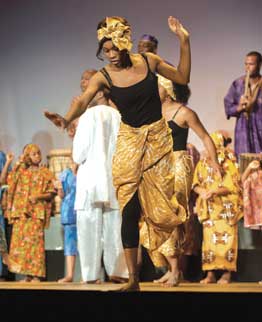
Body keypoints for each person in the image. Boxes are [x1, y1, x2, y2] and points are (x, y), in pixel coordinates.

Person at [45, 15, 191, 291]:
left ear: (125, 44)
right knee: (129, 209)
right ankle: (133, 280)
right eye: (106, 50)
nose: (110, 55)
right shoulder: (104, 77)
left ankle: (173, 254)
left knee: (162, 211)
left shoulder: (149, 61)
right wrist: (65, 120)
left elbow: (183, 77)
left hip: (157, 140)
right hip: (128, 143)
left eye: (114, 48)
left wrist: (184, 40)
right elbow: (83, 100)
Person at [150, 77, 220, 285]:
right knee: (155, 221)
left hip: (177, 167)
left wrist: (215, 162)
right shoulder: (153, 113)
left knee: (172, 217)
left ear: (169, 89)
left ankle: (175, 270)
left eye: (159, 86)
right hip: (157, 168)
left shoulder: (185, 113)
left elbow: (206, 137)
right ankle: (169, 267)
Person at [73, 89, 128, 284]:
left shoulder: (87, 116)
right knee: (115, 229)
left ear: (98, 94)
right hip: (113, 178)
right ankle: (118, 272)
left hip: (90, 180)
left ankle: (90, 275)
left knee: (89, 228)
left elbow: (78, 154)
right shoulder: (119, 116)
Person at [192, 131, 243, 284]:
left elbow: (234, 185)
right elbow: (195, 183)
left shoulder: (229, 161)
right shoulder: (202, 163)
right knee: (208, 242)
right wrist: (201, 191)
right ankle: (210, 274)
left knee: (228, 240)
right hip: (210, 209)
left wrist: (214, 191)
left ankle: (227, 274)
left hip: (225, 208)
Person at [6, 144, 56, 282]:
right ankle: (27, 275)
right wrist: (19, 162)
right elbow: (10, 181)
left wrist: (38, 196)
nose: (38, 155)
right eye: (33, 154)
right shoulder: (22, 172)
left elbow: (52, 192)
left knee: (35, 245)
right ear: (27, 156)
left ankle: (36, 275)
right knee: (22, 245)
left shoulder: (45, 172)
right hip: (22, 213)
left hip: (36, 212)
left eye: (39, 153)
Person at [224, 51, 262, 160]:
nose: (247, 67)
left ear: (259, 65)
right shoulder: (238, 84)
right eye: (246, 64)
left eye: (251, 64)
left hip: (259, 131)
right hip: (243, 131)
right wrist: (239, 107)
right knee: (243, 161)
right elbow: (228, 107)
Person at [55, 158, 78, 283]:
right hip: (69, 212)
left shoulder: (85, 171)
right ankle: (69, 275)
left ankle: (90, 275)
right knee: (70, 245)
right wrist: (59, 188)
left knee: (87, 244)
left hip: (84, 212)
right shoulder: (65, 173)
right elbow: (61, 195)